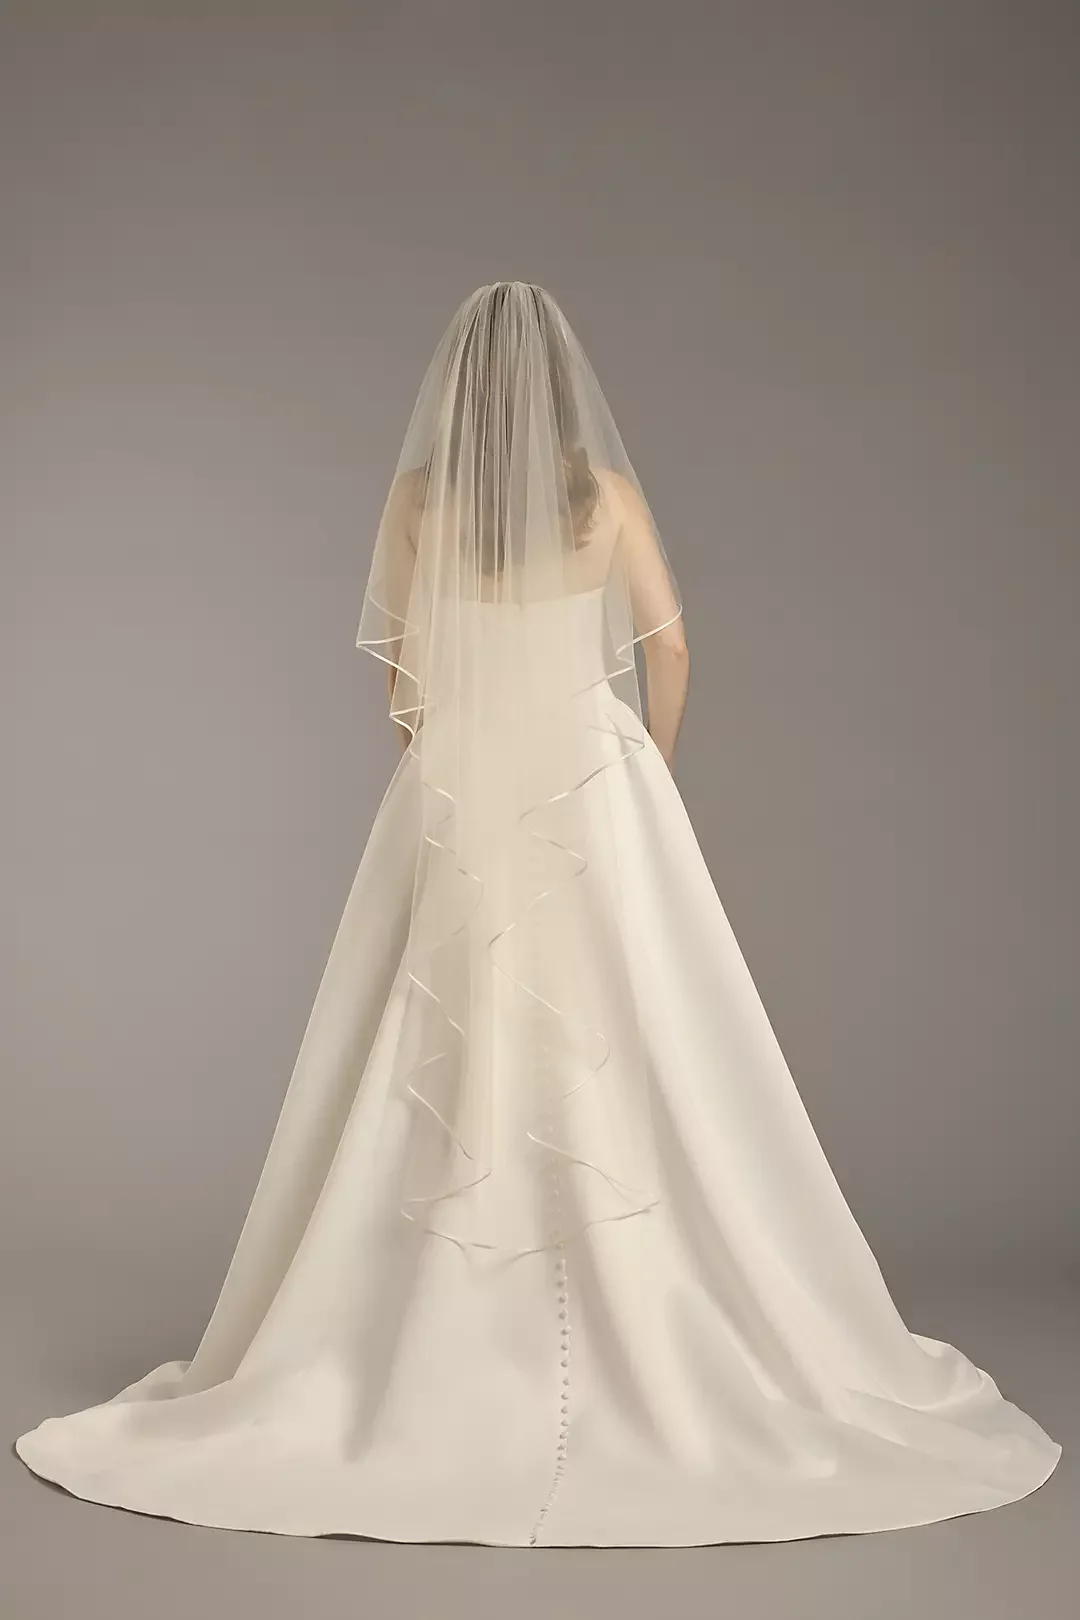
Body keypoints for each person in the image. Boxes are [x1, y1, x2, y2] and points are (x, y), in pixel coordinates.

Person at [15, 281, 1060, 1547]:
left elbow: (401, 678)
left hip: (460, 794)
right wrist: (642, 772)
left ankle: (442, 1335)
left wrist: (443, 739)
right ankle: (656, 1323)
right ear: (565, 395)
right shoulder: (601, 499)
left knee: (436, 1051)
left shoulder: (419, 503)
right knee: (633, 1052)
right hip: (589, 790)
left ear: (454, 393)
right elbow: (671, 648)